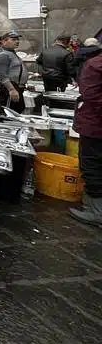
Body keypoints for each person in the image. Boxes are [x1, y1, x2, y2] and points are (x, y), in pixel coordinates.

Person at [68, 39, 102, 226]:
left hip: (94, 126)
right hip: (95, 125)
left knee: (92, 164)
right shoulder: (95, 64)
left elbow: (91, 95)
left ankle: (97, 211)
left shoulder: (94, 65)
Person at [0, 31, 29, 113]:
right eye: (13, 39)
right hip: (9, 89)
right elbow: (1, 75)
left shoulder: (11, 53)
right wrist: (11, 90)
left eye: (17, 39)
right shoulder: (3, 55)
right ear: (4, 41)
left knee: (17, 111)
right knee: (9, 112)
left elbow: (14, 69)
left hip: (17, 87)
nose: (17, 41)